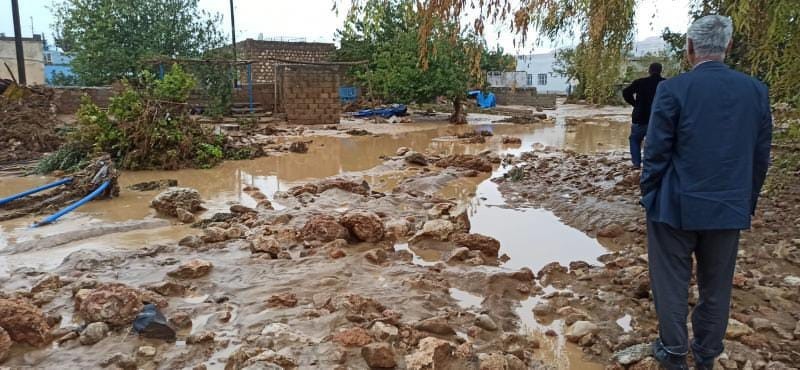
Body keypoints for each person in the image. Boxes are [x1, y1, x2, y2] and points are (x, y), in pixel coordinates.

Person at [640, 15, 772, 370]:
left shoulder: (673, 89)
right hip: (728, 206)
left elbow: (656, 152)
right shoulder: (756, 90)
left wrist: (649, 195)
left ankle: (673, 353)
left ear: (689, 48)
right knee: (717, 286)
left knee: (671, 283)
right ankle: (706, 355)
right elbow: (760, 156)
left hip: (674, 206)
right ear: (729, 46)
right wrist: (746, 202)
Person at [623, 62, 665, 168]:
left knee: (635, 139)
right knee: (656, 143)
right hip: (658, 119)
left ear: (649, 70)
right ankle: (652, 164)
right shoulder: (665, 83)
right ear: (661, 71)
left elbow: (626, 92)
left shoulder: (640, 82)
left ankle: (636, 163)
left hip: (640, 118)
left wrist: (635, 104)